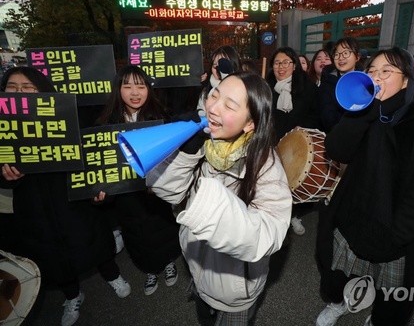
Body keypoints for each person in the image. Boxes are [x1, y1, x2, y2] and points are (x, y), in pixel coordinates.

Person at [315, 48, 414, 326]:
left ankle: (378, 319)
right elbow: (336, 148)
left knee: (391, 295)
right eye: (371, 71)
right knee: (339, 274)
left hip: (396, 231)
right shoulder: (362, 113)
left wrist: (398, 235)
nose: (375, 77)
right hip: (351, 219)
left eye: (385, 71)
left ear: (405, 81)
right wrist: (363, 112)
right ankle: (339, 303)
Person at [146, 71, 292, 326]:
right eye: (215, 94)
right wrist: (185, 153)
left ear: (250, 124)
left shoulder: (265, 164)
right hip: (198, 269)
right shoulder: (204, 143)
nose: (213, 107)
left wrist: (209, 205)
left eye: (229, 105)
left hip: (235, 290)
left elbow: (269, 233)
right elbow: (167, 190)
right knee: (204, 318)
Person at [0, 66, 131, 326]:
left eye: (28, 88)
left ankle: (113, 276)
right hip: (34, 208)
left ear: (43, 91)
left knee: (93, 241)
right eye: (12, 88)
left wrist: (97, 189)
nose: (20, 93)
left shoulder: (67, 116)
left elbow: (93, 156)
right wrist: (6, 175)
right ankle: (72, 295)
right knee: (52, 257)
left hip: (73, 201)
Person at [94, 65, 182, 296]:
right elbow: (101, 166)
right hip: (126, 196)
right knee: (137, 234)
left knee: (163, 228)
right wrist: (99, 191)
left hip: (156, 191)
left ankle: (168, 262)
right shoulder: (105, 125)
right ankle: (150, 269)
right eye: (128, 86)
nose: (135, 92)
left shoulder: (161, 118)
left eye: (140, 86)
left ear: (148, 90)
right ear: (118, 90)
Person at [266, 46, 321, 235]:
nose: (281, 67)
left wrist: (303, 129)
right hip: (272, 143)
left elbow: (316, 114)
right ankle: (276, 216)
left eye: (286, 62)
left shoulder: (306, 86)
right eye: (277, 63)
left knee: (295, 182)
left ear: (294, 65)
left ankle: (294, 216)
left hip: (298, 145)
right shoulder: (267, 87)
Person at [318, 36, 364, 132]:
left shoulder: (366, 81)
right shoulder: (327, 81)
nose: (341, 57)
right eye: (337, 54)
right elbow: (326, 116)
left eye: (346, 53)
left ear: (357, 57)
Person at [198, 46, 241, 110]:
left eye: (223, 66)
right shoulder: (205, 93)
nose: (219, 70)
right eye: (215, 67)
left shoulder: (245, 91)